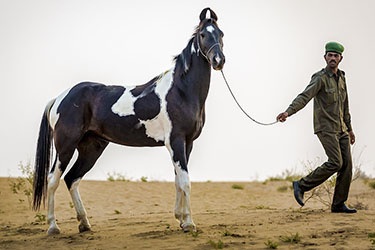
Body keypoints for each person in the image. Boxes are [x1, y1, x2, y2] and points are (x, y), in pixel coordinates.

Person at [276, 41, 357, 213]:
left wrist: (349, 129)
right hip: (326, 127)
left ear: (341, 58)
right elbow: (304, 97)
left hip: (341, 128)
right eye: (330, 55)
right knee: (336, 162)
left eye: (336, 55)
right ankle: (302, 185)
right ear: (325, 57)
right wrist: (288, 112)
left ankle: (338, 204)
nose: (333, 58)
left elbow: (345, 106)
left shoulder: (342, 77)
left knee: (347, 166)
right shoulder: (320, 78)